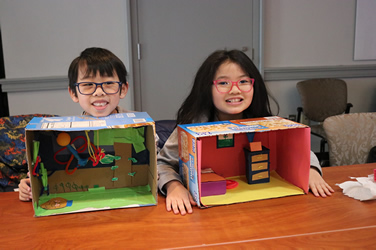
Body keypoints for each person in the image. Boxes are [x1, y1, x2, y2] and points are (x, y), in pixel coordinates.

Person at [158, 49, 334, 216]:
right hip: (207, 210)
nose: (235, 90)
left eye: (243, 81)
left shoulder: (264, 122)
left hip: (259, 207)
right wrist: (174, 186)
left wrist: (310, 170)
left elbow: (300, 150)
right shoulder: (194, 125)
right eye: (223, 83)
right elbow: (162, 163)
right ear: (207, 88)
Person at [18, 47, 130, 201]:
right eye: (88, 85)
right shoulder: (69, 131)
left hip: (125, 196)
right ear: (74, 93)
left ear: (123, 89)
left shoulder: (138, 126)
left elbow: (150, 164)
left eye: (109, 83)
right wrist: (28, 186)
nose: (98, 92)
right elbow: (42, 171)